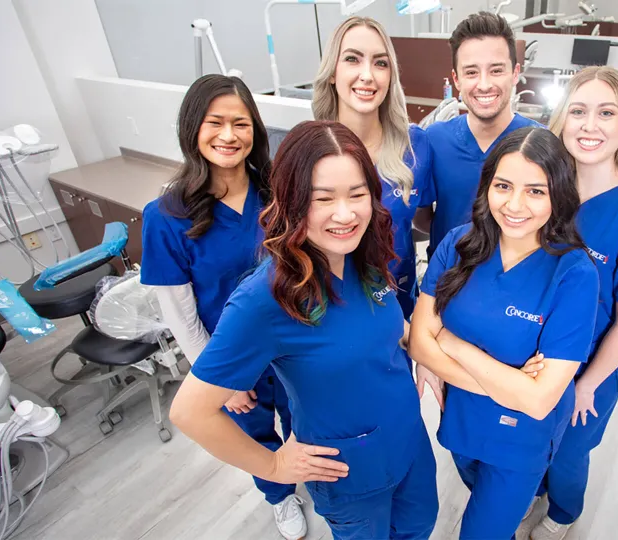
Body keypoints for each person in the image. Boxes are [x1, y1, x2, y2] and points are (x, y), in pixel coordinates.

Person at [169, 120, 439, 540]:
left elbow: (389, 329)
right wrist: (274, 466)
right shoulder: (264, 298)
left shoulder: (363, 257)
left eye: (357, 194)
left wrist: (427, 353)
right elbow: (189, 412)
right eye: (323, 199)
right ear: (292, 201)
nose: (345, 213)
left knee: (419, 528)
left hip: (410, 445)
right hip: (348, 472)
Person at [409, 127, 599, 539]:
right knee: (478, 491)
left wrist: (455, 345)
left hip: (520, 443)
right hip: (459, 421)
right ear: (487, 186)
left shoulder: (575, 274)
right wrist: (509, 384)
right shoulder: (458, 246)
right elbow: (421, 343)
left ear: (559, 195)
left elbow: (538, 400)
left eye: (535, 191)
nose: (514, 205)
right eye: (503, 186)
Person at [139, 74, 306, 540]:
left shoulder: (278, 191)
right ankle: (280, 495)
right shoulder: (166, 215)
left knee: (305, 420)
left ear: (255, 129)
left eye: (241, 123)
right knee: (254, 434)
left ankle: (309, 476)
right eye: (215, 123)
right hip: (233, 357)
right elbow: (180, 314)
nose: (229, 135)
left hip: (295, 343)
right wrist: (218, 382)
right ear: (193, 128)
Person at [517, 66, 618, 540]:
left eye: (607, 113)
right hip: (537, 357)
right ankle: (535, 490)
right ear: (560, 120)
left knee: (567, 454)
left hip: (590, 370)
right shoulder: (548, 192)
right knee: (535, 441)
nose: (590, 125)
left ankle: (563, 512)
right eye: (578, 111)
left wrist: (587, 385)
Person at [312, 16, 433, 319]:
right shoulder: (308, 151)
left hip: (400, 304)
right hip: (334, 311)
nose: (367, 75)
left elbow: (420, 217)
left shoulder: (416, 146)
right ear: (332, 72)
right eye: (352, 59)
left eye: (380, 63)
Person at [415, 11, 541, 259]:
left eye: (496, 70)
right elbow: (422, 218)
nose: (484, 84)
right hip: (446, 283)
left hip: (515, 286)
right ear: (456, 79)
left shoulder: (540, 142)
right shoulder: (435, 140)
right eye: (471, 72)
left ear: (515, 73)